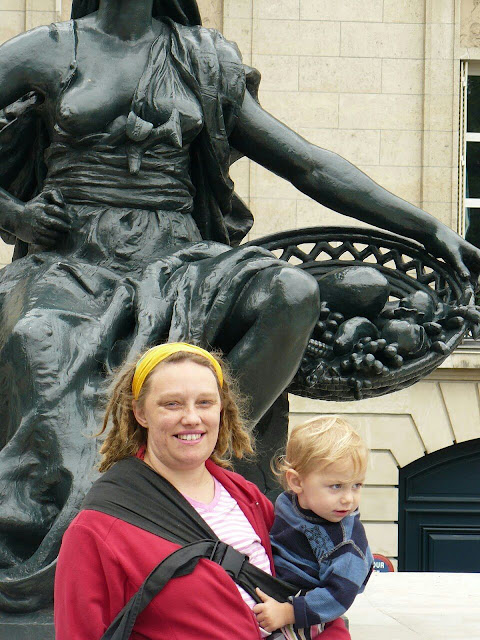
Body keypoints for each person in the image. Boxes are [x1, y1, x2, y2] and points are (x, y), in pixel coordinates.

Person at [0, 0, 479, 611]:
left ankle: (201, 467)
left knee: (292, 292)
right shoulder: (48, 49)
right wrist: (15, 214)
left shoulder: (202, 58)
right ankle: (83, 519)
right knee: (40, 336)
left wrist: (426, 227)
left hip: (179, 257)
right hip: (74, 256)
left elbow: (307, 163)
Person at [54, 342, 351, 640]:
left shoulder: (247, 498)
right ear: (141, 413)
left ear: (221, 409)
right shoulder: (96, 528)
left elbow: (314, 594)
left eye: (205, 402)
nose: (192, 418)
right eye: (172, 404)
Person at [253, 417, 373, 639]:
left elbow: (339, 596)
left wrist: (289, 613)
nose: (348, 499)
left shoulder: (345, 543)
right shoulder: (288, 502)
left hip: (305, 614)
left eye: (356, 485)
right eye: (336, 486)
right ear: (297, 482)